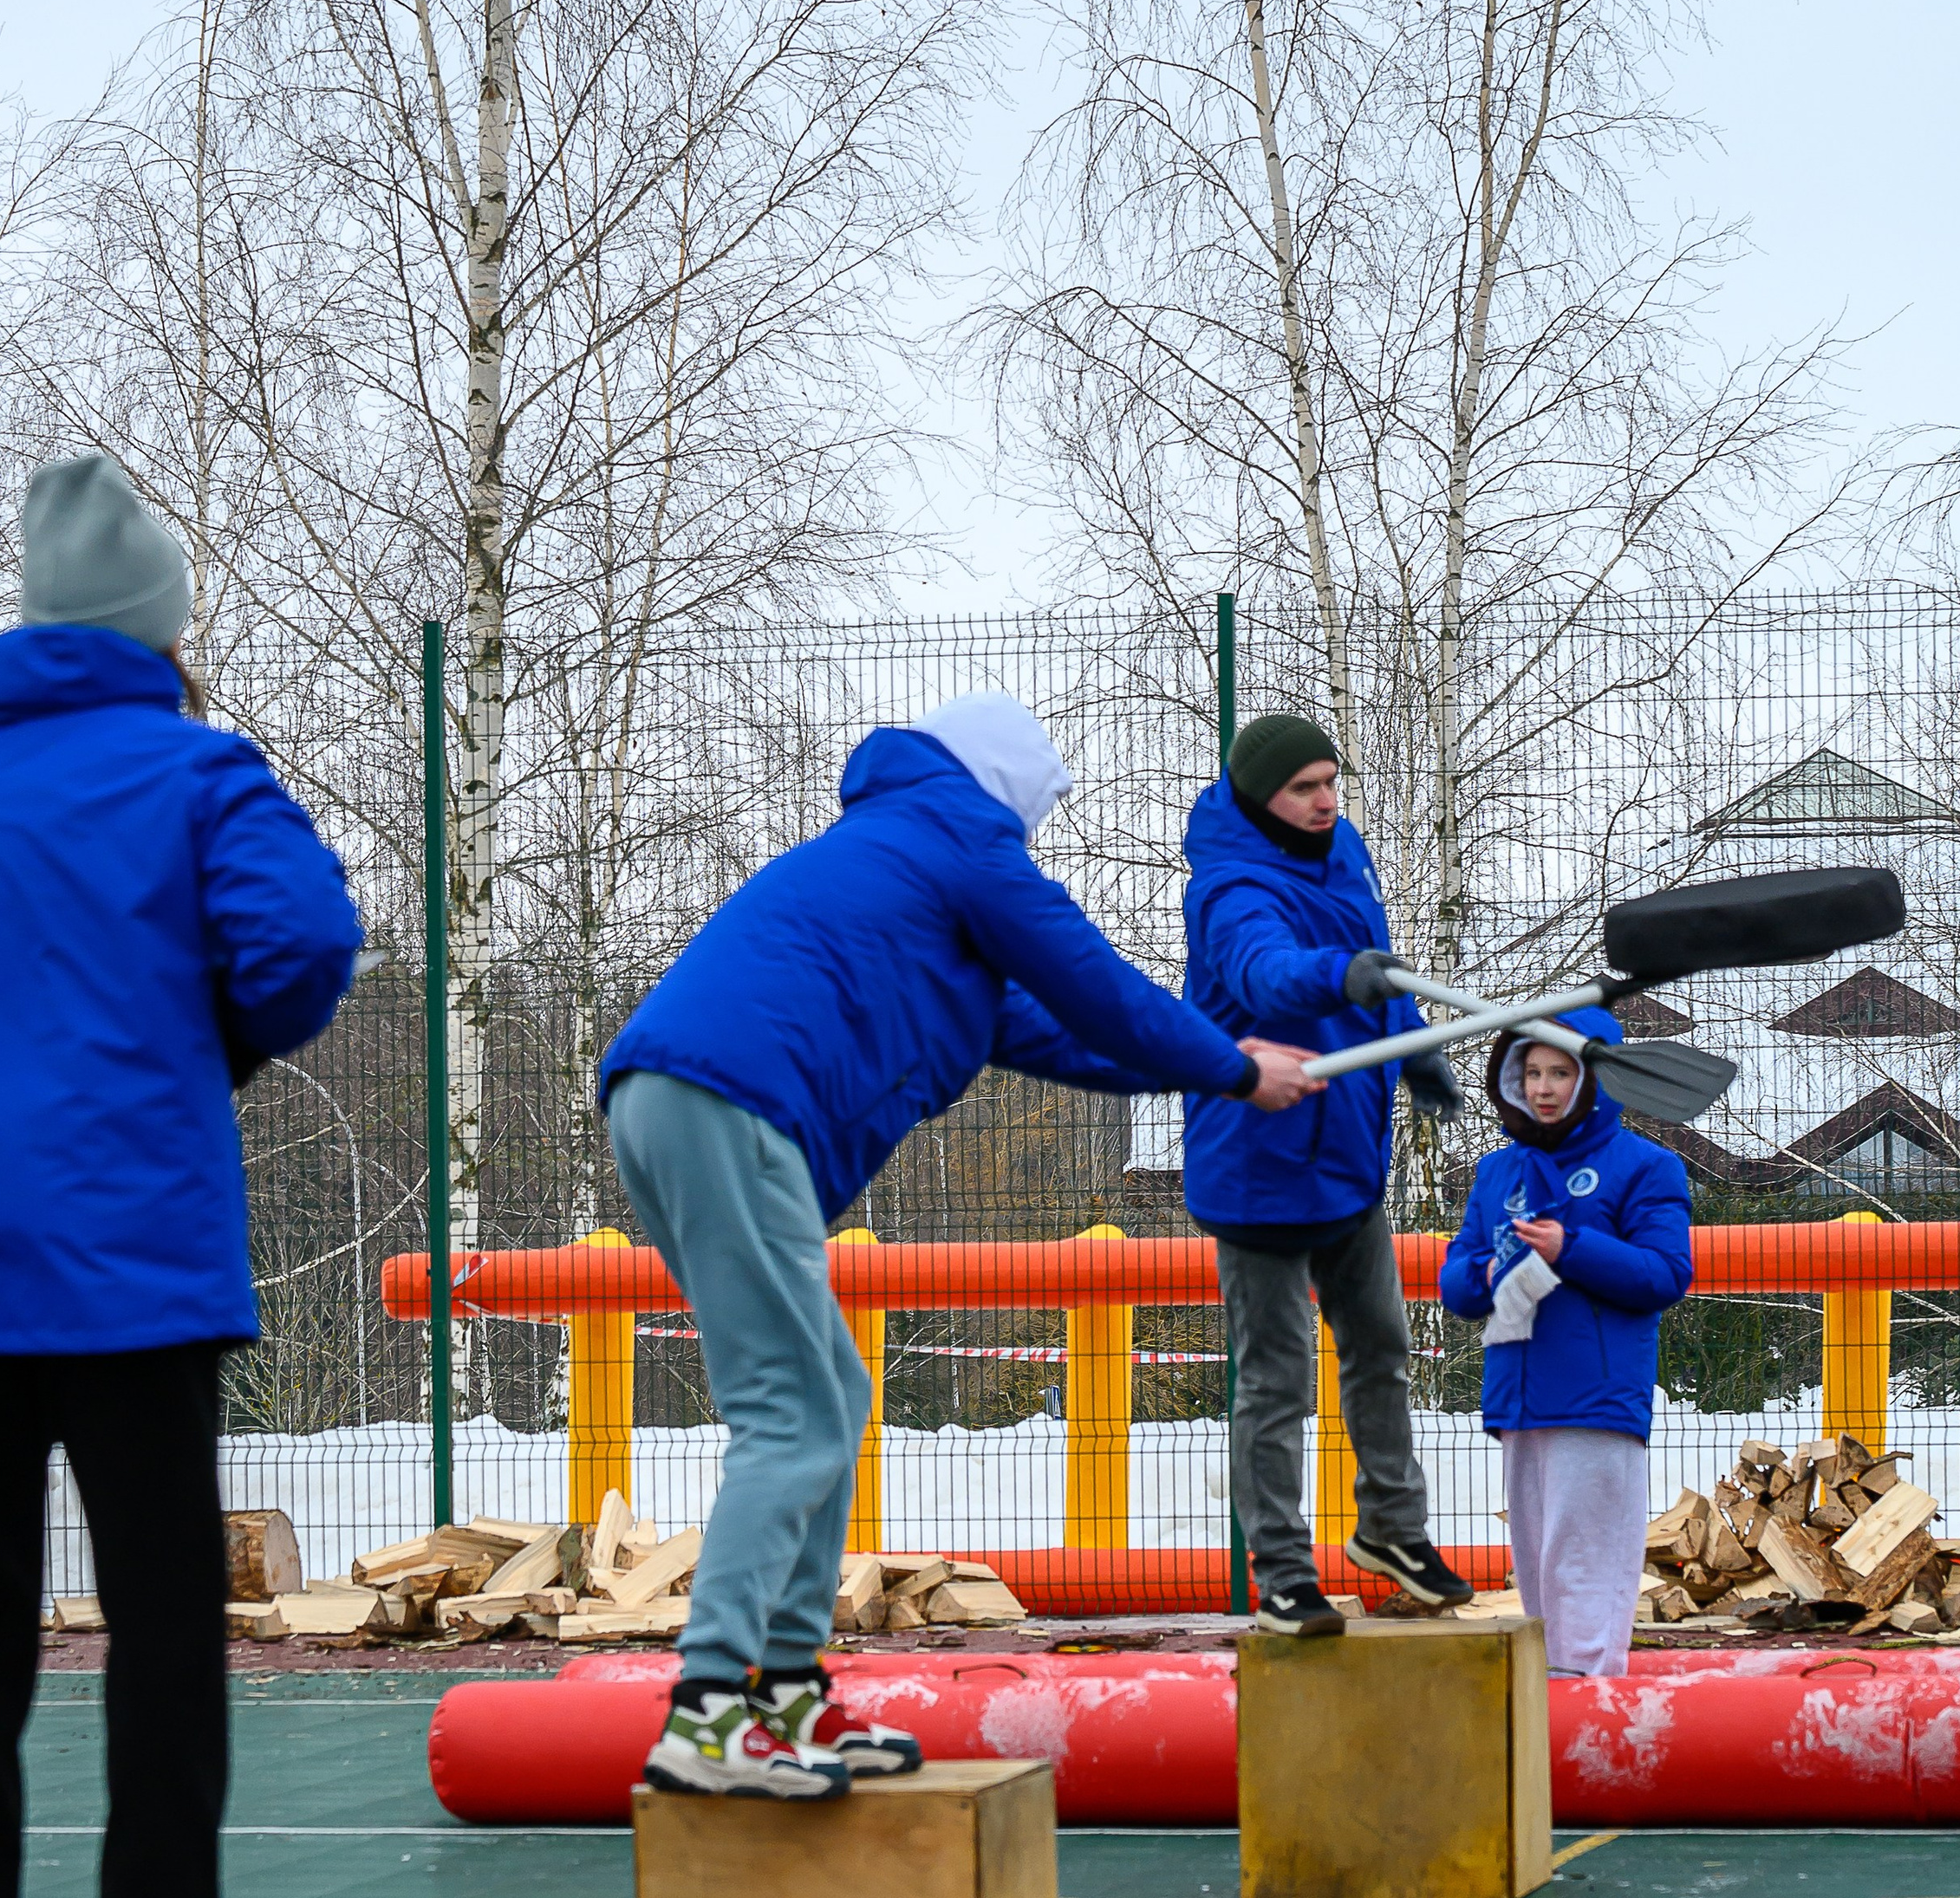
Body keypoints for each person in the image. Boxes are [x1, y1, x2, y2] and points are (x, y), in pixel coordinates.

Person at [0, 452, 361, 1898]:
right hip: (124, 1250)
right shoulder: (198, 772)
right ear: (160, 625)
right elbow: (305, 943)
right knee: (154, 1604)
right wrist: (207, 1047)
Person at [599, 692, 1316, 1797]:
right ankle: (707, 1717)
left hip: (693, 1103)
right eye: (1034, 812)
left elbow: (1065, 1033)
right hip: (725, 1103)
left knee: (828, 1400)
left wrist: (1222, 1051)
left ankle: (785, 1699)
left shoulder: (915, 876)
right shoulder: (957, 838)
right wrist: (1233, 1070)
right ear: (1003, 787)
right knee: (788, 1412)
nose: (1033, 836)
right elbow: (1094, 984)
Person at [1182, 712, 1473, 1635]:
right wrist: (1340, 973)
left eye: (1330, 782)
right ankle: (1280, 1570)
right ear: (1260, 794)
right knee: (1274, 1379)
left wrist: (1410, 1046)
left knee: (1381, 1349)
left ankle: (1391, 1528)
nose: (1325, 801)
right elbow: (1268, 977)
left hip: (1347, 1158)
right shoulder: (1229, 888)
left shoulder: (1341, 851)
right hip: (1258, 1163)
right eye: (1304, 787)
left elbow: (1374, 967)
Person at [1437, 1012, 1692, 1680]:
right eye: (1531, 1072)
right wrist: (1486, 1272)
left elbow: (1665, 1274)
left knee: (1585, 1560)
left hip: (1597, 1401)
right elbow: (1457, 1282)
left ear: (1592, 1078)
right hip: (1519, 1401)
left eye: (1559, 1072)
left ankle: (1589, 1710)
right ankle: (1553, 1713)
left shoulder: (1646, 1166)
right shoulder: (1498, 1173)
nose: (1543, 1087)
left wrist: (1569, 1247)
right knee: (1539, 1564)